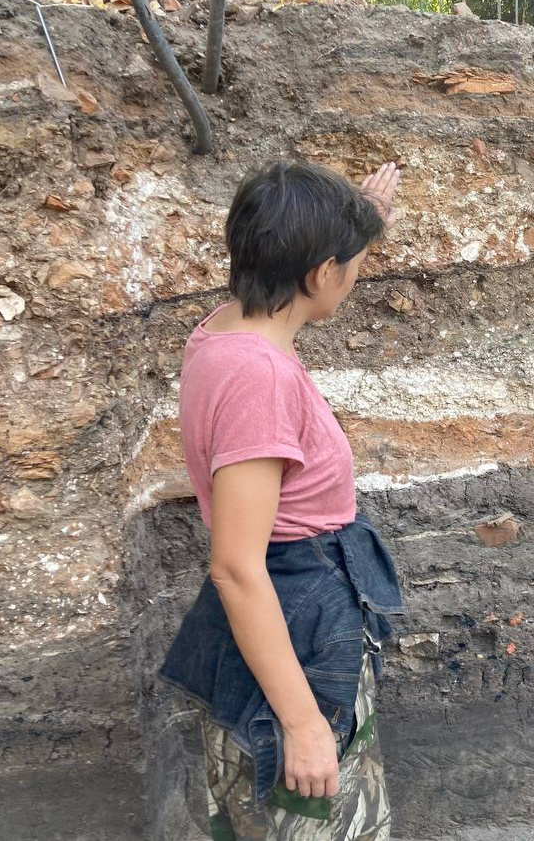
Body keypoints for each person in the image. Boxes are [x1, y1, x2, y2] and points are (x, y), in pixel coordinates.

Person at [157, 160, 406, 840]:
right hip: (294, 616)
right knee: (317, 817)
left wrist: (359, 230)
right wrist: (302, 724)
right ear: (321, 273)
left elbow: (295, 275)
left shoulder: (228, 326)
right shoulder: (258, 379)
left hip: (294, 602)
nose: (352, 276)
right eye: (347, 265)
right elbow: (236, 566)